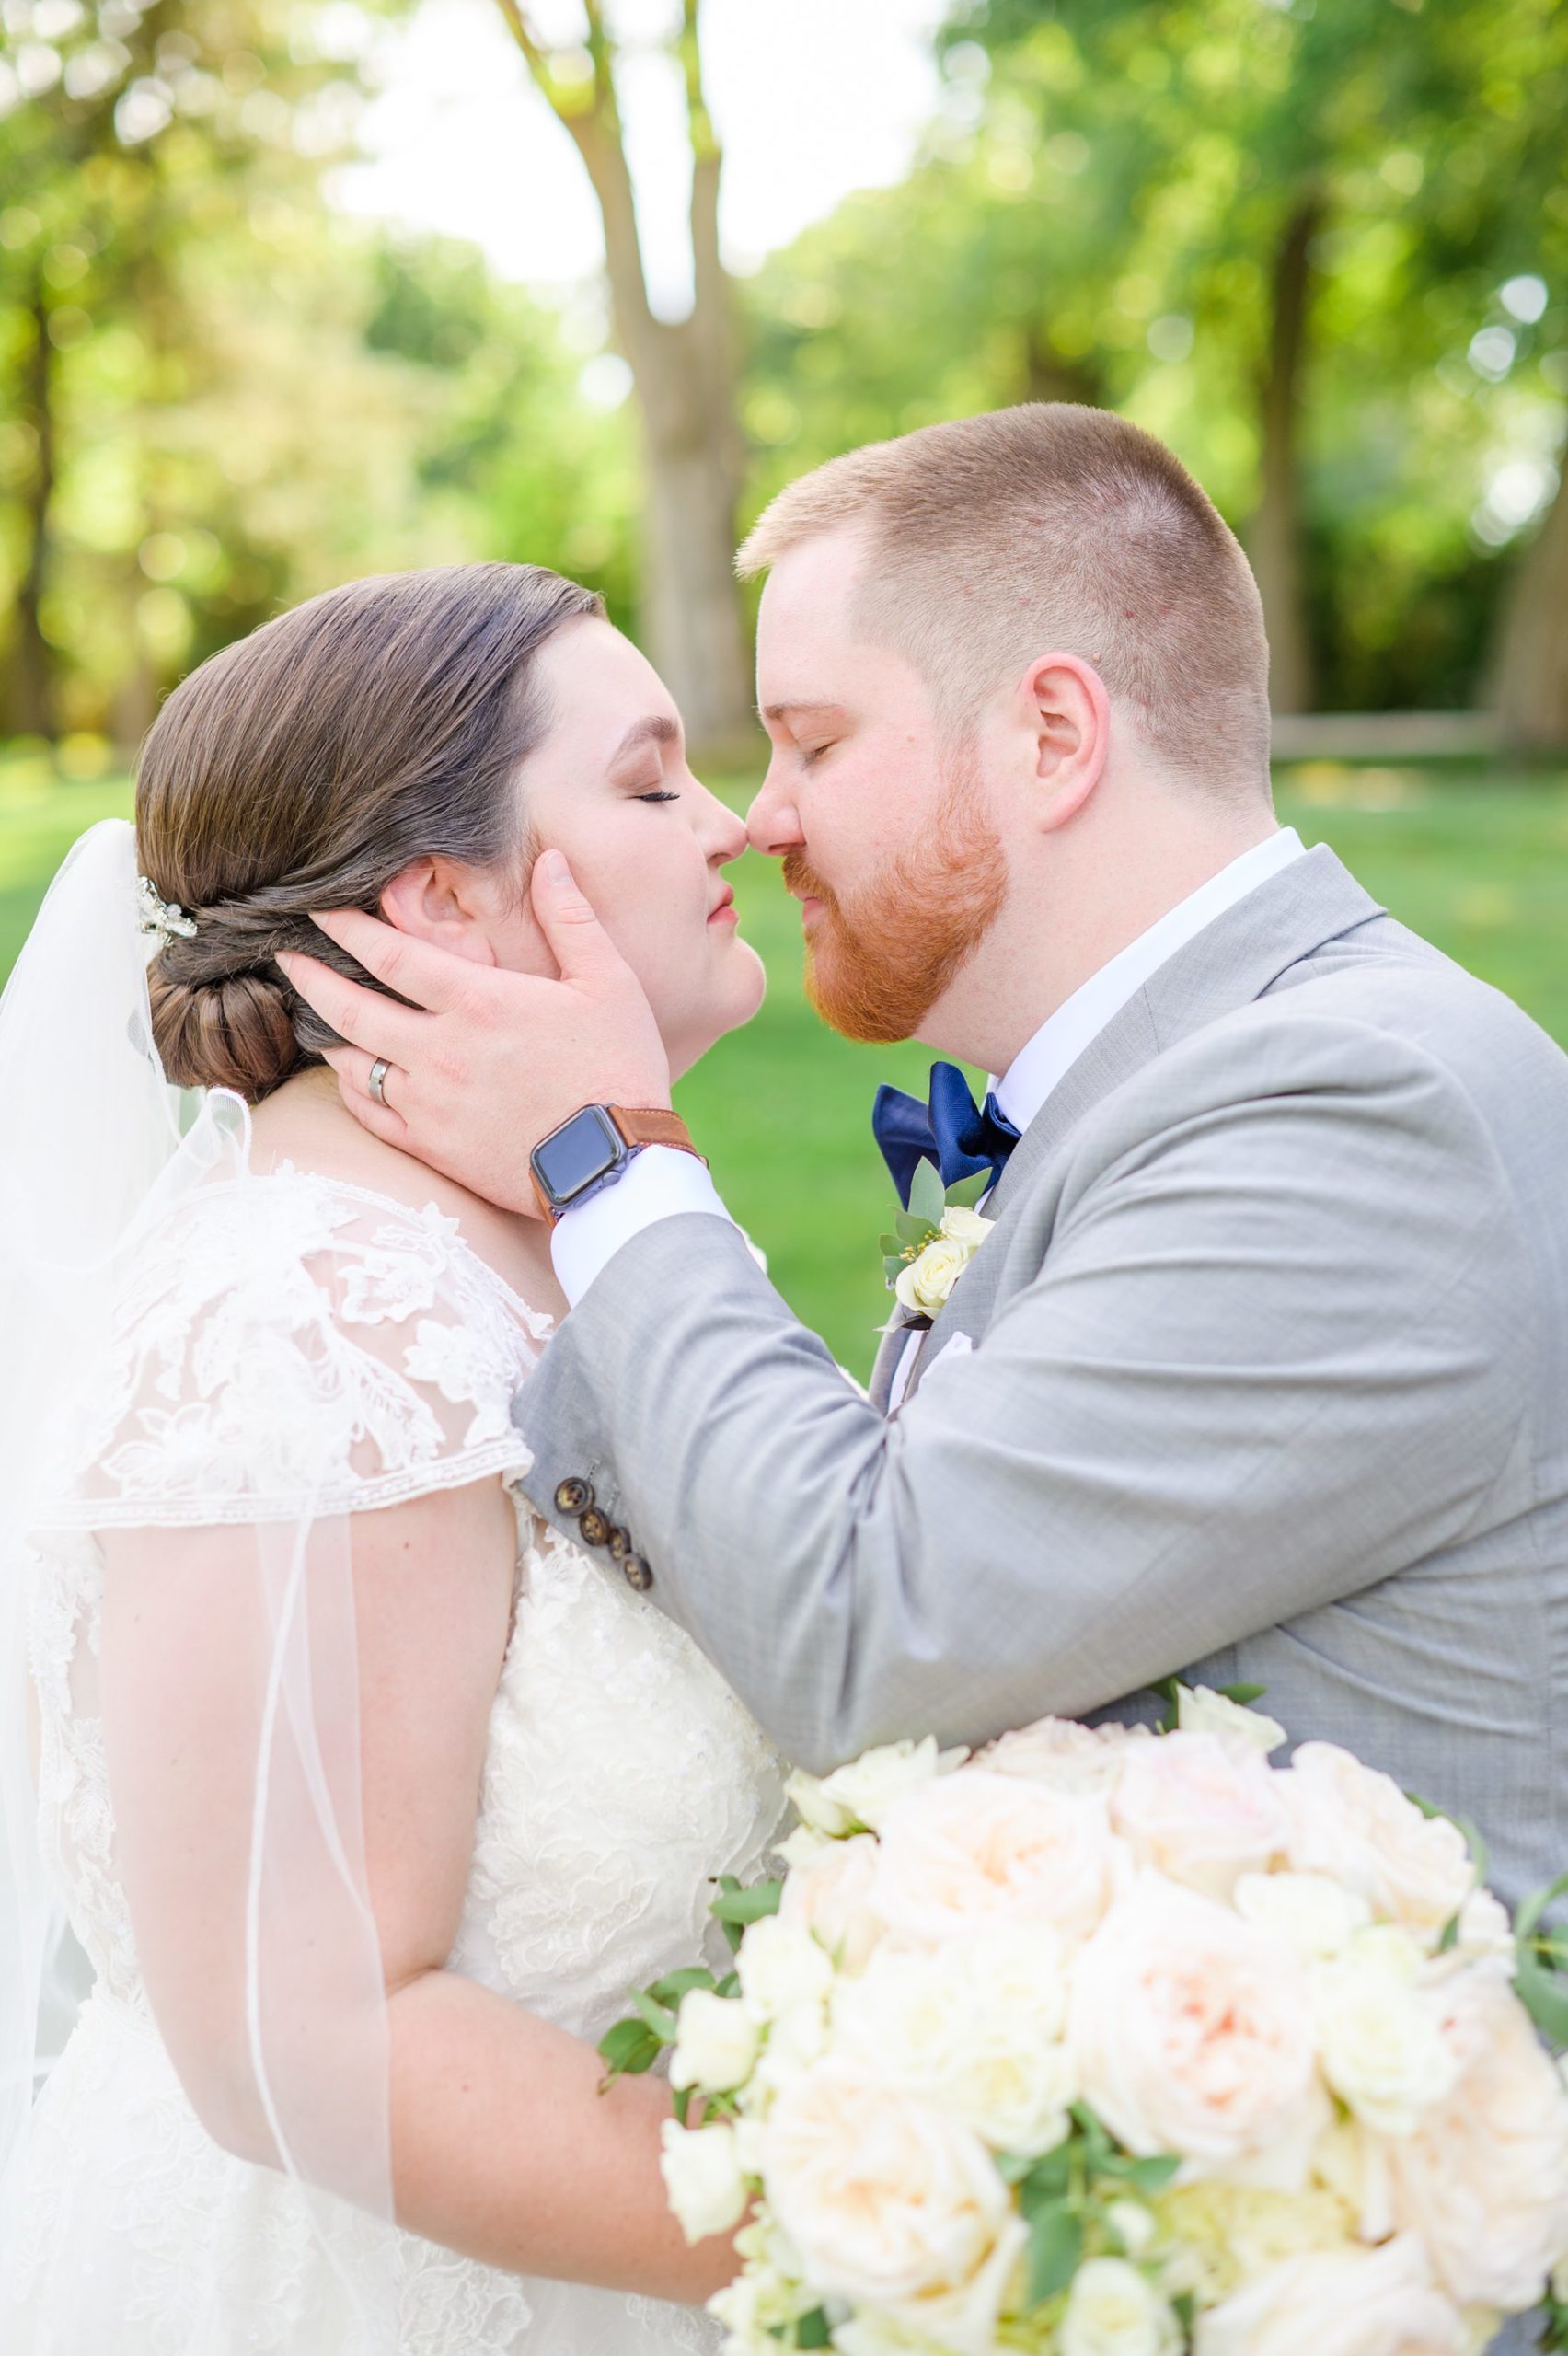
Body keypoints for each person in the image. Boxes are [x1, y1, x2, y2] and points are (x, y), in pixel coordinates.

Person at [284, 404, 1568, 1946]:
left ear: (1051, 735)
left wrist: (606, 1159)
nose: (761, 818)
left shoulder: (1359, 1105)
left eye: (815, 740)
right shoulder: (1166, 1089)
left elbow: (868, 1634)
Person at [0, 563, 786, 2351]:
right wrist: (885, 2216)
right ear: (440, 906)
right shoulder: (312, 1327)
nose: (731, 819)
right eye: (655, 782)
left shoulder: (545, 1248)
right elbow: (308, 2032)